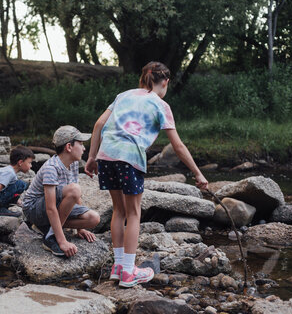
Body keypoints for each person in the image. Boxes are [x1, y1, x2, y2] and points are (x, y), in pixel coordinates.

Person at [85, 61, 208, 288]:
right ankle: (129, 273)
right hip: (129, 157)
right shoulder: (161, 105)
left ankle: (119, 267)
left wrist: (92, 157)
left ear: (142, 79)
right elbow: (178, 146)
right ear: (165, 82)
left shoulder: (123, 96)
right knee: (134, 213)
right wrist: (198, 174)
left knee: (119, 211)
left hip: (106, 155)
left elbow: (99, 124)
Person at [22, 125, 101, 258]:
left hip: (52, 208)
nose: (84, 148)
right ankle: (51, 236)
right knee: (74, 189)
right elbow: (51, 207)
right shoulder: (51, 168)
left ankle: (45, 227)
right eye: (80, 144)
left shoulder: (74, 163)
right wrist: (62, 240)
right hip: (34, 209)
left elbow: (74, 197)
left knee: (94, 218)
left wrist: (80, 229)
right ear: (69, 147)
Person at [0, 146, 35, 217]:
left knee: (17, 184)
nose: (31, 166)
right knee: (21, 184)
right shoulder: (9, 173)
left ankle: (15, 202)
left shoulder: (9, 170)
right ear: (20, 162)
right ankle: (0, 210)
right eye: (29, 163)